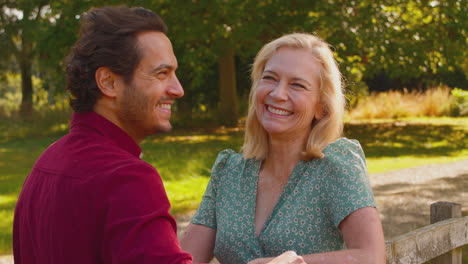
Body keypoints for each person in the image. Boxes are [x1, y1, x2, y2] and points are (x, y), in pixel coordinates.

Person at [12, 6, 305, 264]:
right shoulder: (127, 179)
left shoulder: (45, 165)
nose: (178, 89)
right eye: (161, 74)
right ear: (109, 82)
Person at [181, 33, 386, 264]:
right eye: (269, 78)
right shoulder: (229, 171)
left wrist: (293, 262)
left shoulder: (336, 166)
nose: (278, 94)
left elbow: (371, 257)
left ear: (321, 107)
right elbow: (188, 260)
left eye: (297, 85)